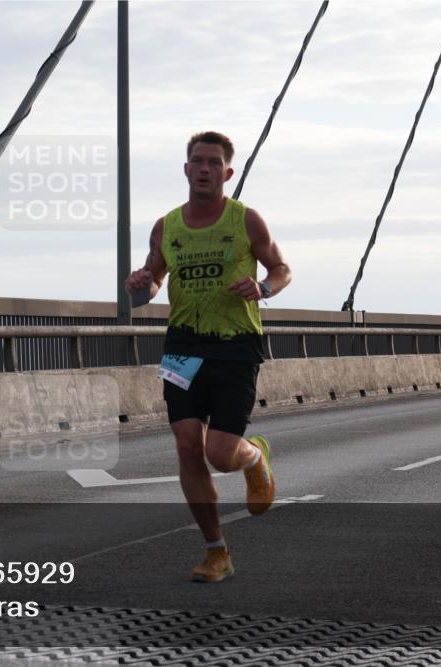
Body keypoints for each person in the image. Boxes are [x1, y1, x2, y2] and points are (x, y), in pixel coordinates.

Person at [124, 130, 291, 583]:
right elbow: (155, 279)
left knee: (220, 453)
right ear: (185, 169)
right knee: (185, 445)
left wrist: (262, 288)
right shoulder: (167, 226)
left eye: (214, 162)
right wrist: (143, 285)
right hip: (183, 345)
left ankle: (254, 457)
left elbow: (281, 268)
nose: (204, 168)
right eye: (197, 161)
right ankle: (216, 551)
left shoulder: (246, 220)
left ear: (227, 172)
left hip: (235, 344)